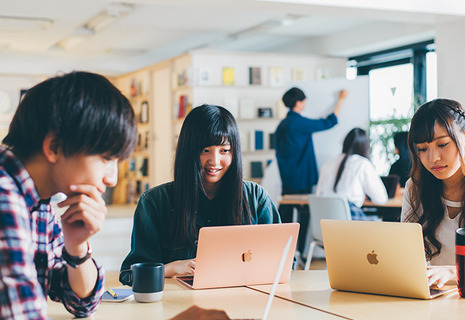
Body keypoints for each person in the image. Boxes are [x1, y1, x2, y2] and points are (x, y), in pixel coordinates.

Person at [0, 71, 137, 319]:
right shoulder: (4, 194)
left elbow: (82, 305)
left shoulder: (38, 202)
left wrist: (76, 246)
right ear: (54, 147)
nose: (112, 179)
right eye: (106, 158)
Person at [120, 104, 280, 280]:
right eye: (205, 150)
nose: (215, 161)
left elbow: (285, 260)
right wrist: (172, 268)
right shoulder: (154, 202)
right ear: (189, 151)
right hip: (179, 304)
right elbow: (130, 275)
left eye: (224, 151)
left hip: (243, 299)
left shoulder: (256, 197)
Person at [402, 98, 465, 288]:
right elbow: (404, 253)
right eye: (422, 149)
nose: (433, 158)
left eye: (442, 144)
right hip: (437, 301)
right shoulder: (415, 188)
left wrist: (454, 271)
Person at [275, 87, 348, 255]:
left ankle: (280, 252)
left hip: (287, 177)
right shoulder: (298, 123)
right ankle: (298, 252)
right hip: (302, 178)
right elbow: (328, 122)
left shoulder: (282, 125)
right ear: (298, 103)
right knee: (304, 215)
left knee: (283, 217)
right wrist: (341, 100)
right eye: (303, 100)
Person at [316, 127, 387, 220]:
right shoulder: (362, 164)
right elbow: (381, 199)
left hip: (324, 224)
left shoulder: (327, 164)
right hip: (349, 225)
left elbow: (318, 195)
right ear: (365, 147)